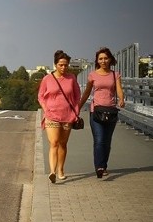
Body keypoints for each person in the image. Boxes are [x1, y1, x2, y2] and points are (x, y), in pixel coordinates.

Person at [79, 46, 125, 178]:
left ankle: (104, 165)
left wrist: (121, 99)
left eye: (105, 58)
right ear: (97, 61)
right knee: (99, 140)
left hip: (111, 111)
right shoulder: (92, 75)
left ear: (110, 59)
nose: (103, 61)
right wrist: (78, 107)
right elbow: (87, 92)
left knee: (107, 141)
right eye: (100, 59)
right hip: (96, 111)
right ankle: (99, 167)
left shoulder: (115, 74)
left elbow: (119, 89)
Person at [37, 49, 81, 183]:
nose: (63, 67)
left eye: (66, 65)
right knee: (54, 142)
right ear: (55, 64)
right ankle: (52, 171)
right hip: (51, 115)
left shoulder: (71, 78)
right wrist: (46, 109)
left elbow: (77, 95)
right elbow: (40, 96)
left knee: (63, 143)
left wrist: (76, 111)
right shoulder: (47, 79)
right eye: (61, 64)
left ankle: (61, 169)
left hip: (67, 115)